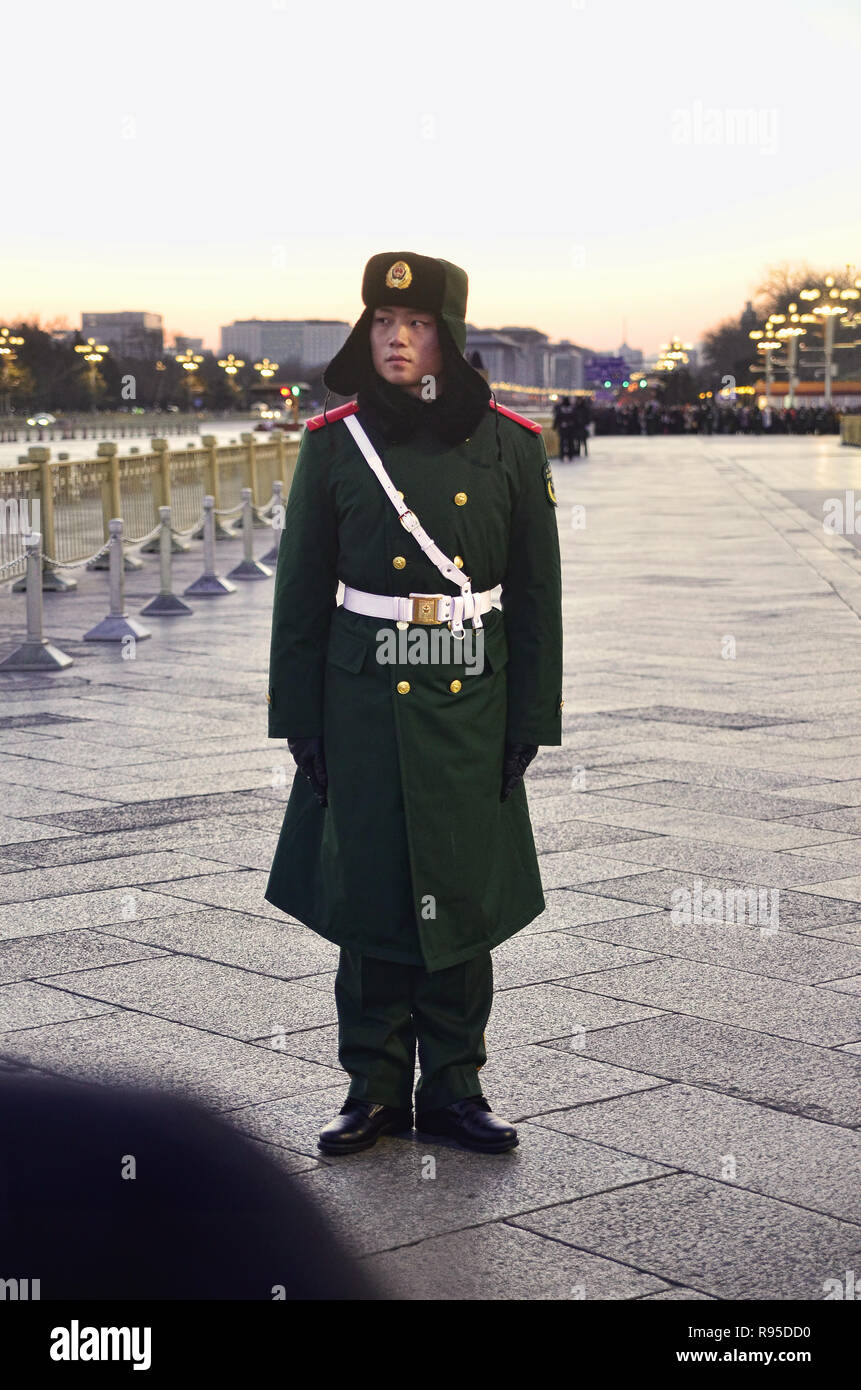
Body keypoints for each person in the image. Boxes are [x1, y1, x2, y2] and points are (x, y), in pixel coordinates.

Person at [265, 251, 563, 1156]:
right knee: (371, 891)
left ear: (450, 336)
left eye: (418, 324)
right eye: (383, 323)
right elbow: (301, 593)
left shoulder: (512, 443)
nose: (397, 339)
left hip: (469, 686)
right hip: (362, 693)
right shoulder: (333, 443)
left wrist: (529, 724)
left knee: (460, 891)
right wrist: (301, 719)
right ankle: (373, 1089)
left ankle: (457, 1088)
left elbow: (539, 597)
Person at [553, 393, 578, 459]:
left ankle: (562, 455)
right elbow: (575, 418)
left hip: (563, 428)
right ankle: (570, 455)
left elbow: (557, 418)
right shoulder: (572, 408)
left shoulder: (561, 408)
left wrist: (554, 426)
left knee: (562, 442)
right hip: (570, 428)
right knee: (570, 442)